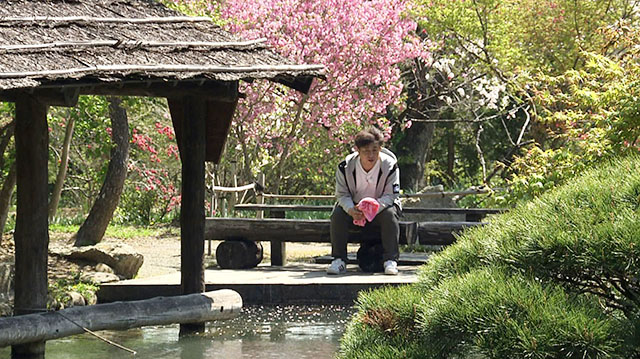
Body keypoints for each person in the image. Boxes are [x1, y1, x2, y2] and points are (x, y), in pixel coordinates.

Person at [327, 127, 401, 275]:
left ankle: (390, 260)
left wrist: (373, 208)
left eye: (375, 150)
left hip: (381, 207)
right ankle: (339, 260)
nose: (371, 155)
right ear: (358, 150)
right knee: (337, 215)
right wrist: (351, 209)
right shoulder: (345, 167)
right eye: (366, 151)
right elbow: (341, 194)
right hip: (354, 207)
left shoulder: (390, 166)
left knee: (390, 215)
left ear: (380, 148)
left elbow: (391, 195)